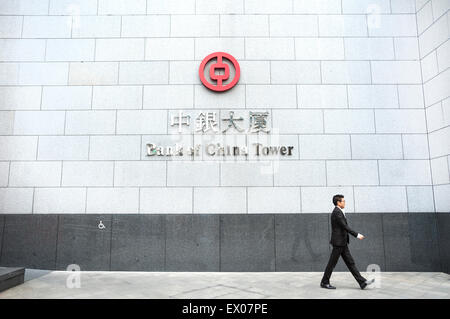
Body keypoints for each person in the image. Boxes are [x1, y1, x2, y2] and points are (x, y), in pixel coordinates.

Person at [320, 194, 375, 290]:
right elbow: (345, 227)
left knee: (350, 262)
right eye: (343, 201)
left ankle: (362, 282)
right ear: (338, 202)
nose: (345, 202)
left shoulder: (340, 211)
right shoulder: (337, 212)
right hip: (338, 243)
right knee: (332, 264)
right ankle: (324, 282)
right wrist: (357, 235)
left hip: (342, 242)